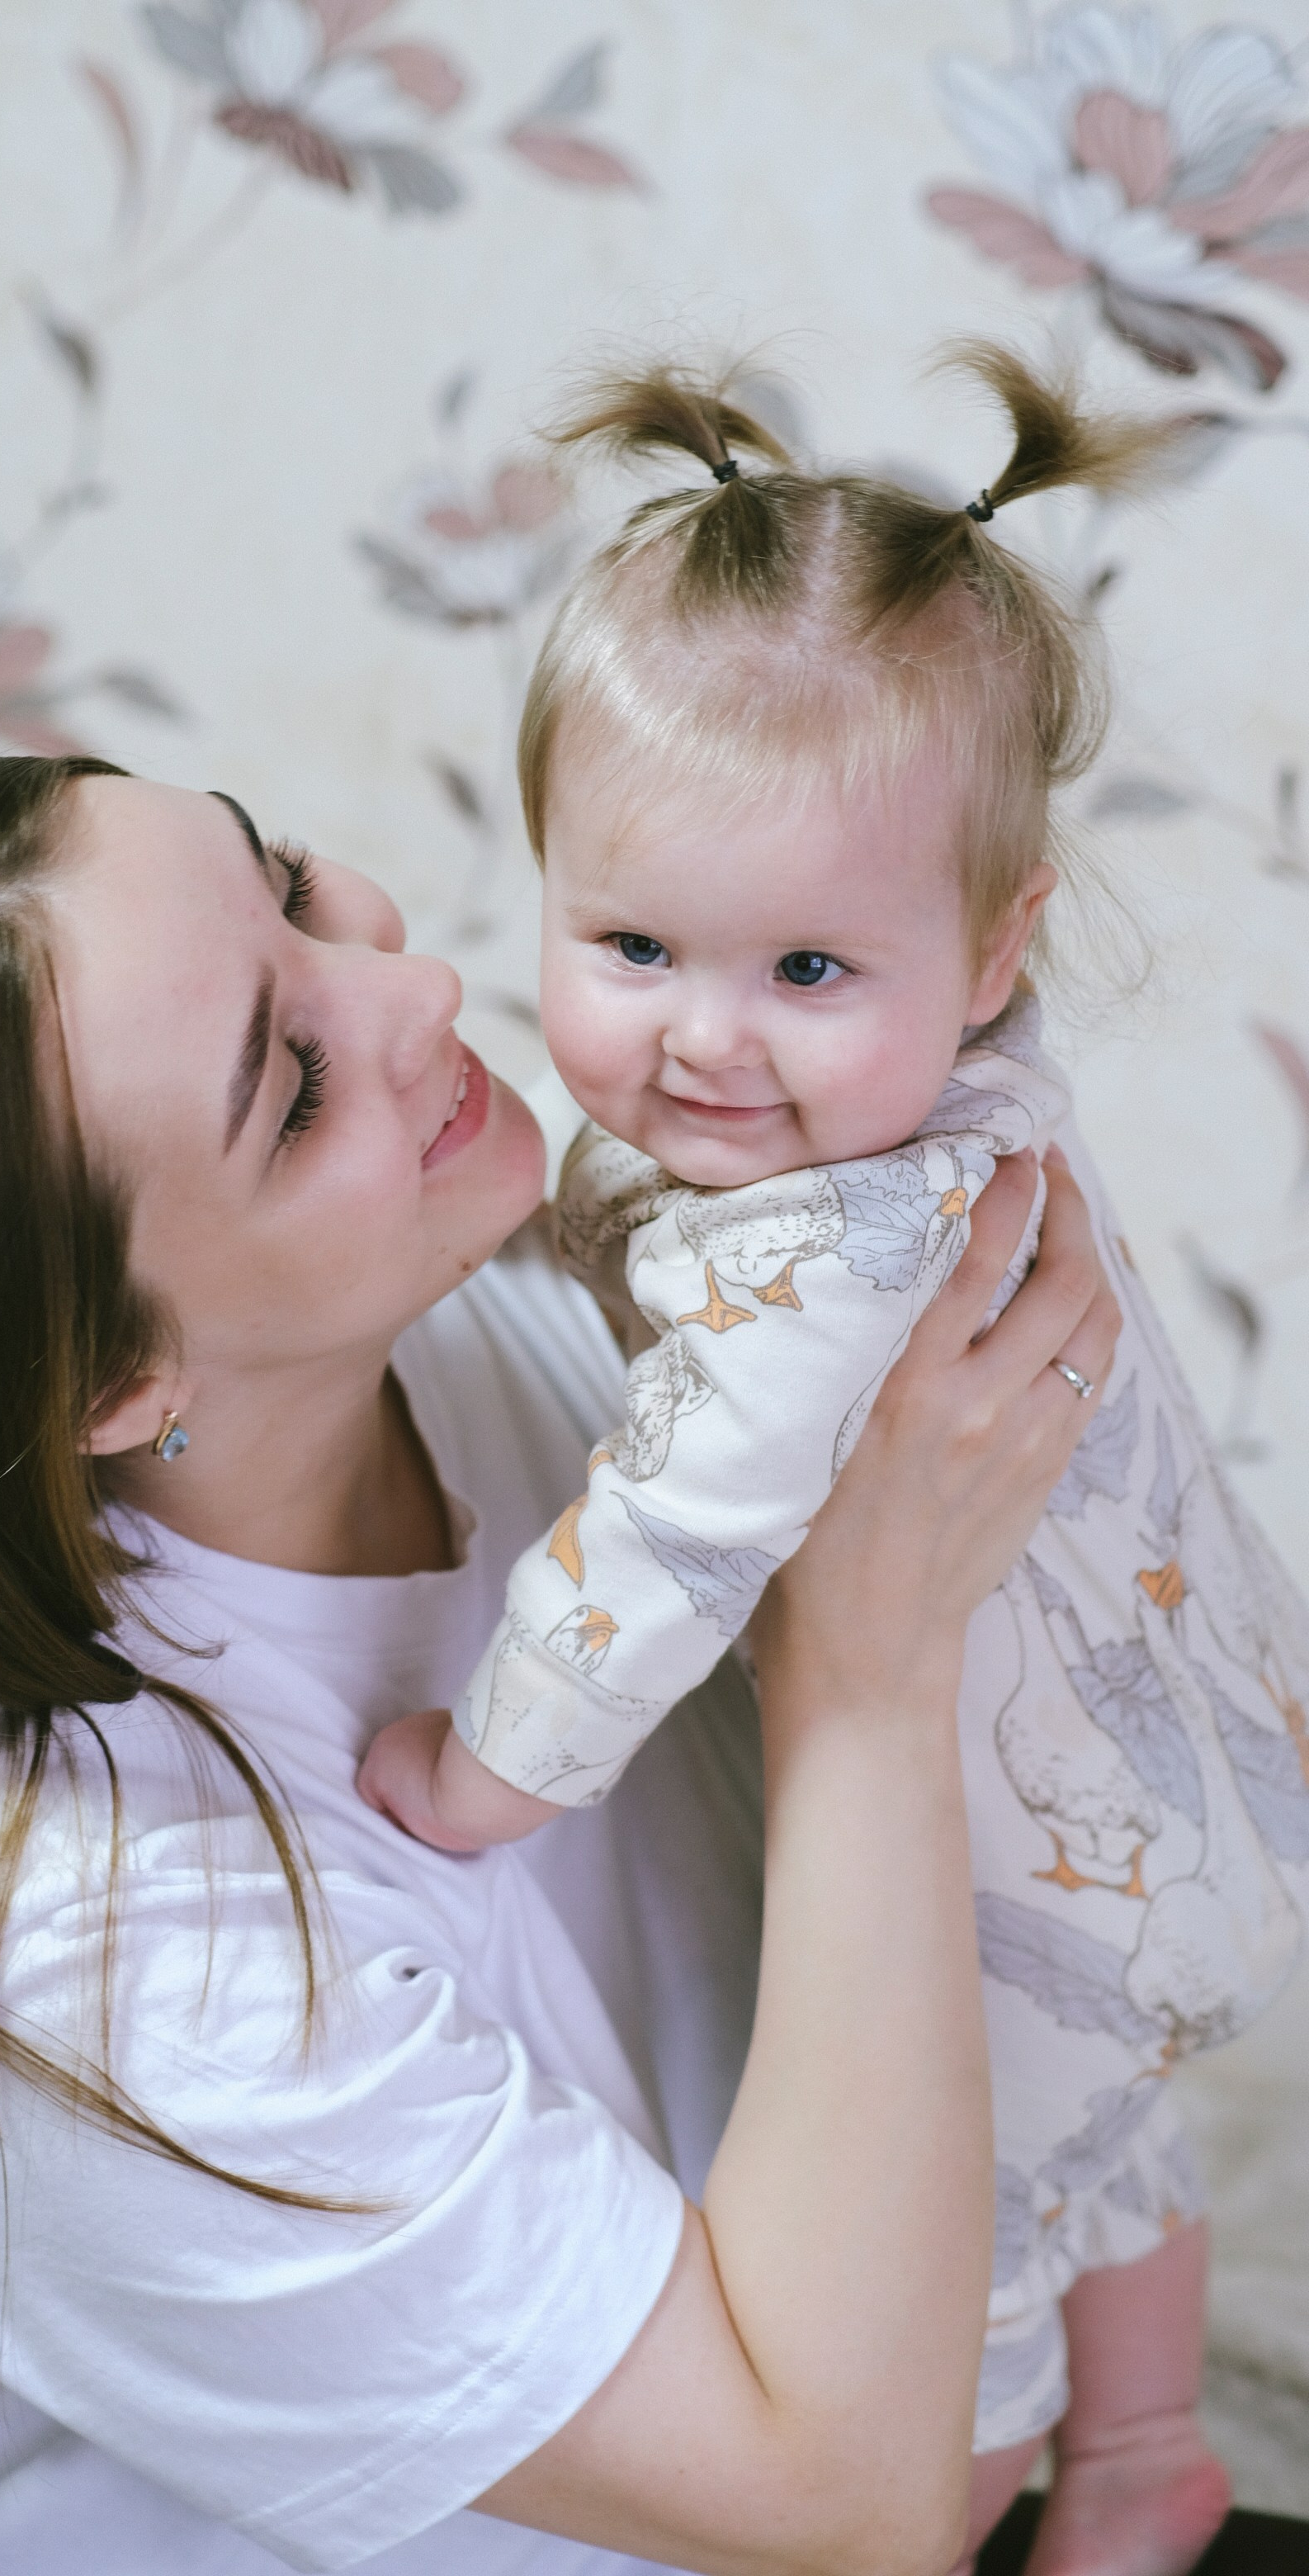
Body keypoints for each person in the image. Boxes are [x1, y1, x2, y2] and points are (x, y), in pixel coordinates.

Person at [0, 755, 1117, 2576]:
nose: (413, 990)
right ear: (107, 1388)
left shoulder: (445, 1308)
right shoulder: (55, 1945)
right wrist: (867, 1669)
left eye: (291, 880)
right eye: (293, 1082)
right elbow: (846, 2512)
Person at [356, 350, 1309, 2576]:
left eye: (803, 964)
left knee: (951, 2224)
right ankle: (1155, 2443)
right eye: (628, 946)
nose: (703, 1036)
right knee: (1118, 2143)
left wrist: (490, 1771)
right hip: (1182, 1745)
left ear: (993, 954)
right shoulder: (963, 1097)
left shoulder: (823, 1263)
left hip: (1008, 1828)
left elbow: (669, 1538)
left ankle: (974, 2490)